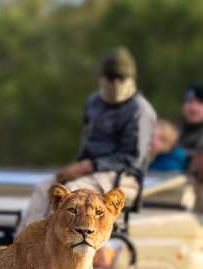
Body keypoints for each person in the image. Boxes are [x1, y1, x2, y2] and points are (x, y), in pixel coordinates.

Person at [18, 46, 157, 231]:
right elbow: (86, 141)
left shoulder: (140, 111)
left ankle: (54, 251)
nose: (115, 84)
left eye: (121, 79)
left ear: (130, 79)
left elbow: (132, 158)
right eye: (111, 78)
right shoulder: (94, 102)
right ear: (103, 78)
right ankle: (22, 247)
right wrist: (72, 169)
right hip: (88, 171)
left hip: (121, 175)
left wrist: (89, 166)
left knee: (72, 195)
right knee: (45, 189)